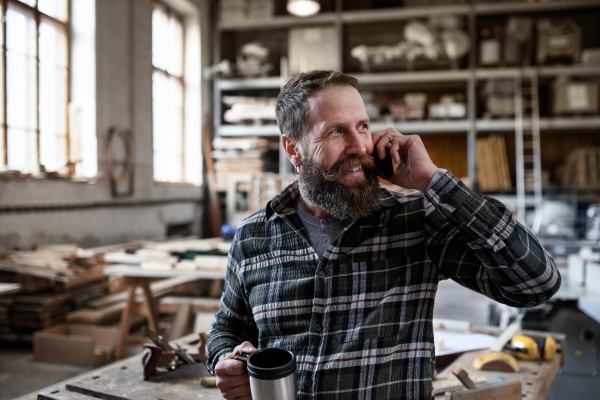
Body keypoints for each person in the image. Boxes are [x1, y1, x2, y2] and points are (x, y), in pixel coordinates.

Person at [206, 70, 561, 400]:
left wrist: (432, 181)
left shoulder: (414, 221)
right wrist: (226, 358)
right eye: (336, 131)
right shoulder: (254, 236)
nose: (359, 146)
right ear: (293, 149)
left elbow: (536, 283)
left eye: (362, 126)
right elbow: (227, 328)